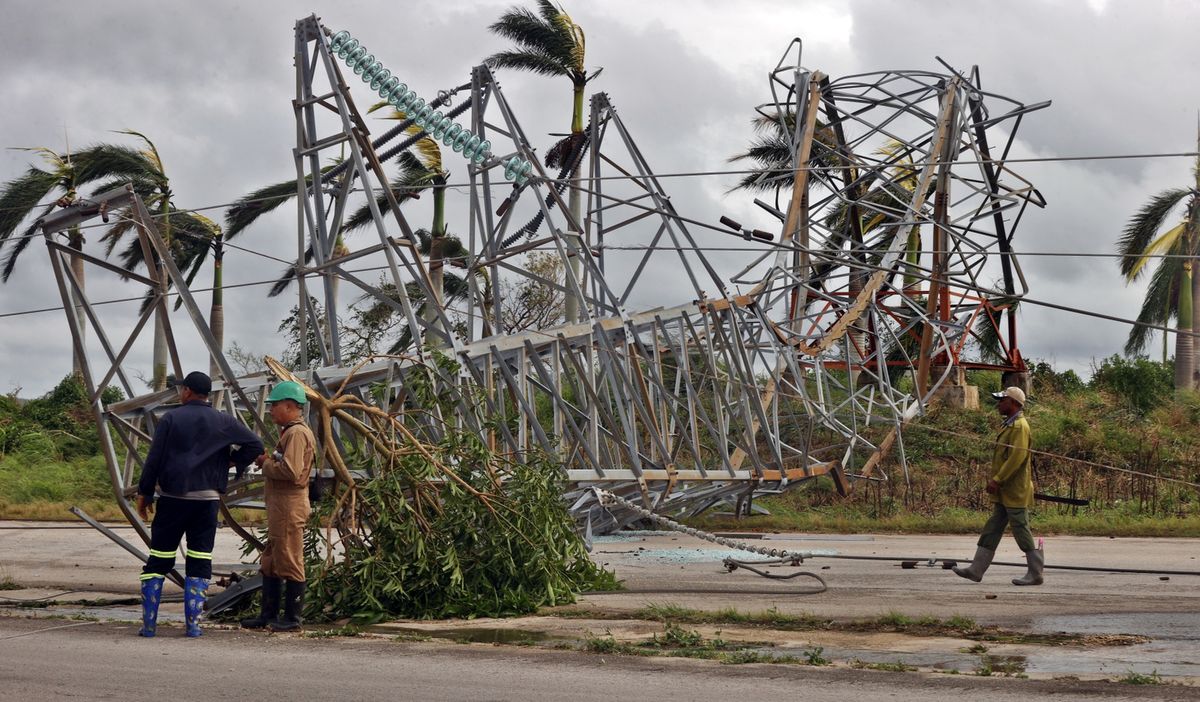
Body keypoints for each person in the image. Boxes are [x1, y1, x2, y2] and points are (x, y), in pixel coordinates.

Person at [137, 371, 263, 637]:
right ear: (206, 394)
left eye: (181, 389)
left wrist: (145, 493)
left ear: (187, 391)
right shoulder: (222, 421)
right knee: (200, 558)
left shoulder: (171, 418)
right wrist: (230, 461)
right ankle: (193, 626)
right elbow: (255, 444)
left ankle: (149, 626)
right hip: (206, 502)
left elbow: (154, 459)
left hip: (173, 499)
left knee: (159, 558)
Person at [240, 381, 316, 632]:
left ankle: (292, 618)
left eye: (274, 406)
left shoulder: (296, 433)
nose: (271, 410)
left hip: (289, 506)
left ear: (290, 406)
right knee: (271, 560)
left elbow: (291, 471)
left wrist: (265, 463)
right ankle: (268, 614)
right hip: (281, 507)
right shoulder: (291, 431)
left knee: (290, 559)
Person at [952, 386, 1044, 586]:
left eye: (1002, 400)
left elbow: (1016, 458)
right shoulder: (1009, 425)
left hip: (1014, 489)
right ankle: (976, 569)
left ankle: (1036, 572)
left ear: (1013, 403)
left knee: (1020, 529)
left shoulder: (1019, 426)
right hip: (1006, 491)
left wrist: (998, 479)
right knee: (993, 527)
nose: (998, 404)